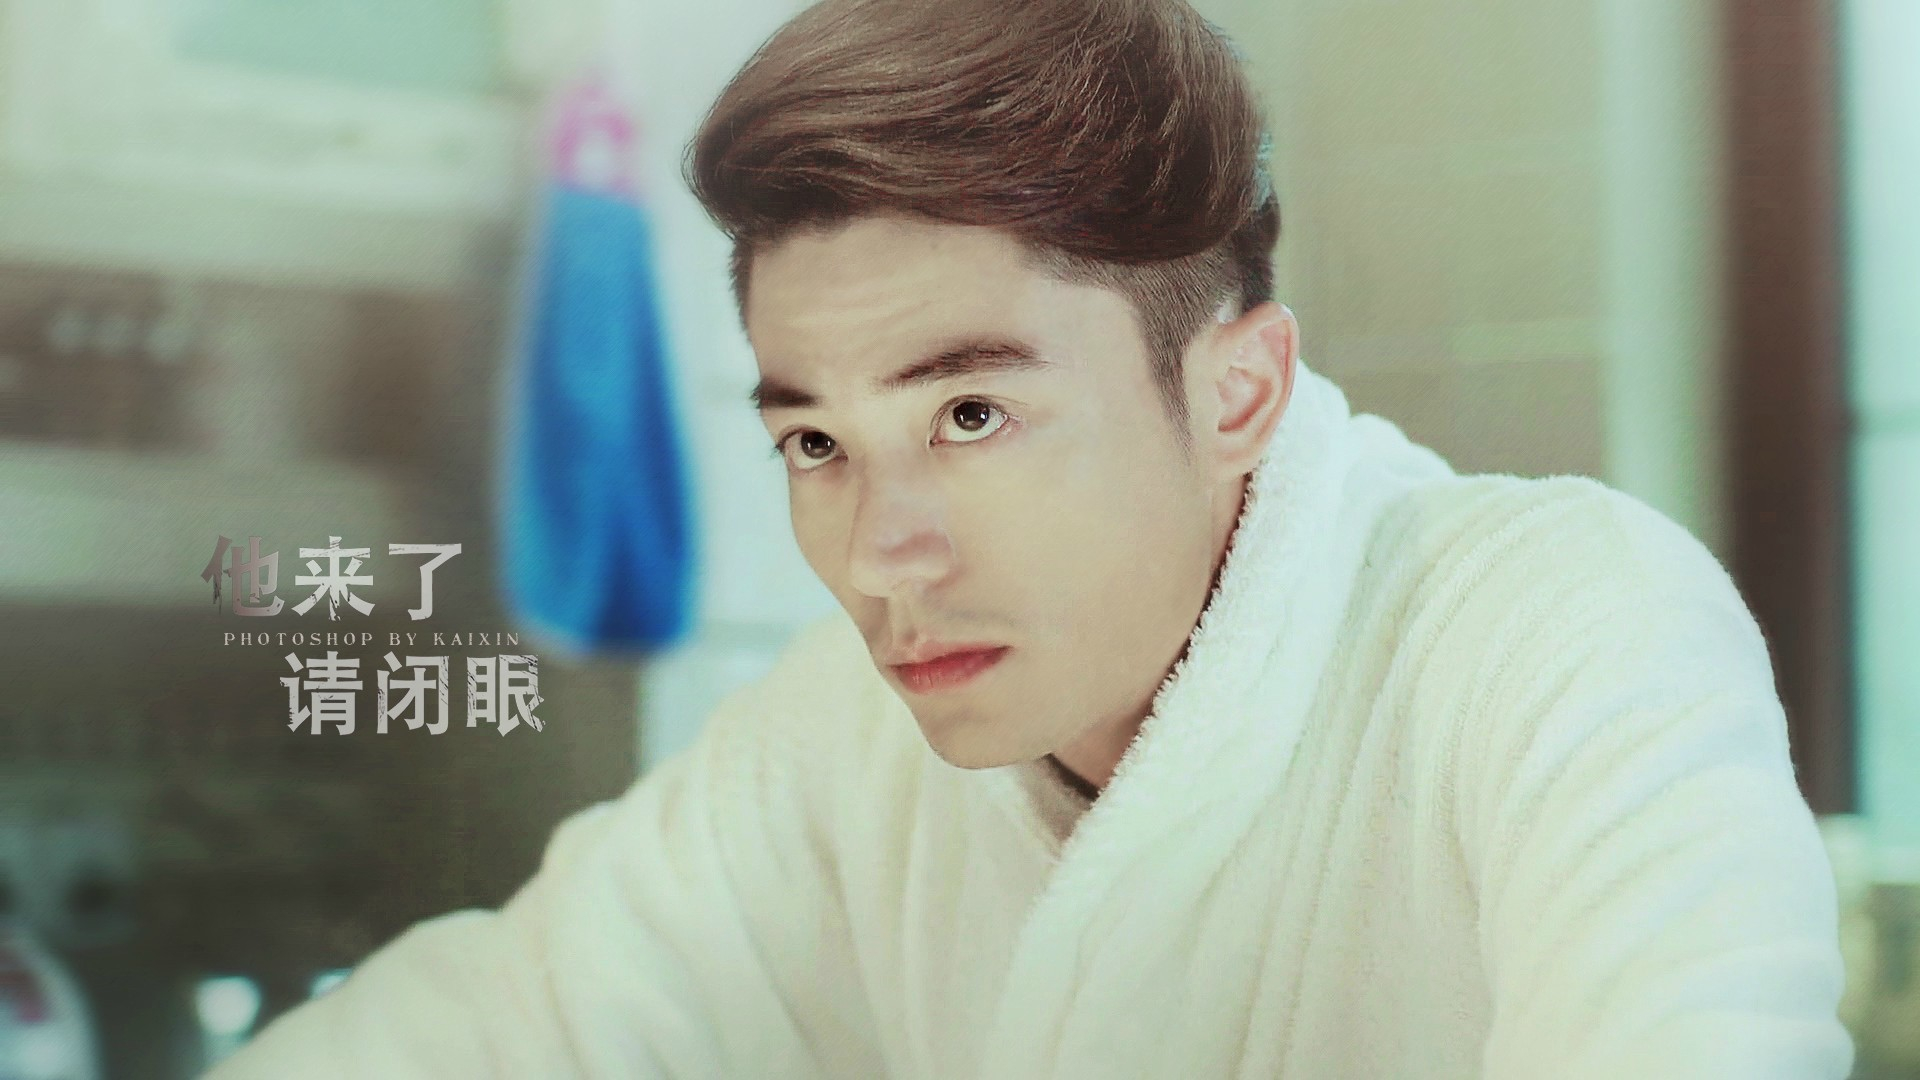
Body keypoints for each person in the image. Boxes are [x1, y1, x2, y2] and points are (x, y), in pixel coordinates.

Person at [209, 0, 1854, 1076]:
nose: (882, 555)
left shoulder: (1560, 633)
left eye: (972, 415)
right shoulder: (845, 746)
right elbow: (492, 1032)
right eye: (815, 443)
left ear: (1238, 390)